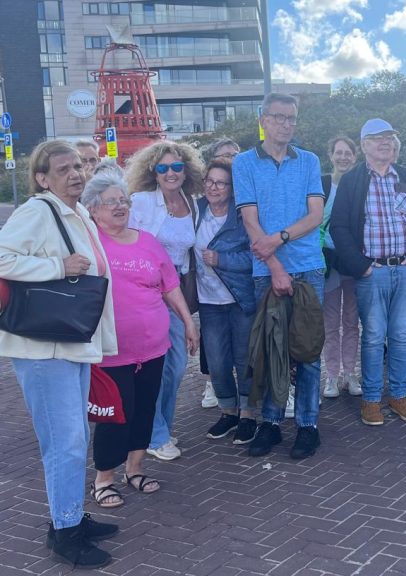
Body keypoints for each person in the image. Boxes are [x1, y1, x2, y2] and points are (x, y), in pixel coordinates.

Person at [0, 140, 118, 568]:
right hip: (43, 347)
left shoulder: (76, 210)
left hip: (67, 341)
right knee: (64, 442)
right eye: (64, 169)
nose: (75, 174)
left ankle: (68, 516)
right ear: (42, 178)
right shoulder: (37, 210)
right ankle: (66, 532)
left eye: (79, 167)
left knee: (72, 438)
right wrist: (56, 267)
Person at [85, 171, 199, 507]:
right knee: (115, 415)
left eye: (123, 200)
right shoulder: (89, 243)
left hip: (153, 347)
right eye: (111, 202)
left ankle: (134, 470)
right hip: (110, 351)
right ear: (93, 210)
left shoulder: (147, 240)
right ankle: (103, 479)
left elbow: (170, 285)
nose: (120, 206)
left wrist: (188, 324)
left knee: (145, 409)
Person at [232, 93, 326, 459]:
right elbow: (249, 220)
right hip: (265, 271)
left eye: (292, 118)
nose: (286, 124)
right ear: (263, 119)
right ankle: (270, 423)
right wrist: (274, 265)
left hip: (308, 266)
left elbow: (315, 215)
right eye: (279, 117)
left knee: (308, 350)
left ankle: (308, 425)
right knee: (271, 350)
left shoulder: (309, 161)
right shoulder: (244, 163)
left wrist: (280, 238)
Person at [331, 118, 406, 426]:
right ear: (364, 145)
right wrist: (361, 266)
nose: (385, 142)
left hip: (405, 271)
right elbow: (338, 226)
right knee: (374, 336)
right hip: (371, 272)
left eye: (390, 137)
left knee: (402, 335)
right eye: (377, 138)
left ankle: (399, 395)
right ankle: (372, 399)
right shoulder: (352, 181)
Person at [126, 140, 204, 462]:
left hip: (177, 288)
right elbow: (126, 242)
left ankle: (160, 428)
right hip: (146, 289)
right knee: (158, 366)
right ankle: (155, 435)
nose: (170, 173)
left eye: (176, 167)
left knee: (176, 365)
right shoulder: (141, 202)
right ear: (153, 173)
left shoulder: (194, 203)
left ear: (186, 170)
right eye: (162, 168)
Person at [193, 159, 260, 443]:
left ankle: (248, 415)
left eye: (220, 182)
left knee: (244, 359)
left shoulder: (242, 216)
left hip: (239, 298)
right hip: (208, 301)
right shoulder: (195, 211)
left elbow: (256, 254)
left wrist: (223, 260)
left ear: (232, 188)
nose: (213, 187)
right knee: (218, 362)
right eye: (209, 180)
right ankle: (228, 412)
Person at [321, 135, 362, 398]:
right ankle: (332, 376)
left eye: (348, 153)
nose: (343, 157)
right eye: (339, 152)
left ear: (355, 157)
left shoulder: (360, 184)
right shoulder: (322, 183)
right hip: (329, 262)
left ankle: (350, 372)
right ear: (331, 155)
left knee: (351, 321)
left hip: (354, 261)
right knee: (330, 322)